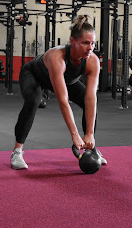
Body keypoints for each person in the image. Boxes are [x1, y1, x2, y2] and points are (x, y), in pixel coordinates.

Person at [11, 14, 107, 169]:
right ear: (72, 42)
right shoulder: (57, 57)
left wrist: (90, 134)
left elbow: (91, 99)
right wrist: (75, 135)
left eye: (93, 43)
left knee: (89, 104)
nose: (90, 47)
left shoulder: (93, 61)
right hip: (35, 75)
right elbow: (63, 100)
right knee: (33, 100)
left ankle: (91, 148)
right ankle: (17, 151)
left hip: (67, 80)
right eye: (85, 43)